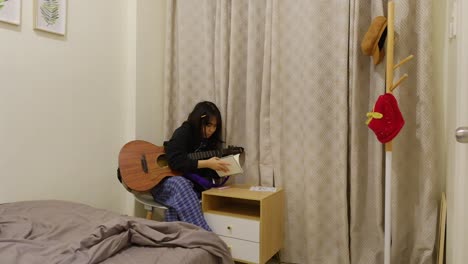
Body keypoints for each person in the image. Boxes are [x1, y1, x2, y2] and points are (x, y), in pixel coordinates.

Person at [150, 101, 230, 231]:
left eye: (215, 126)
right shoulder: (184, 132)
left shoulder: (211, 142)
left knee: (177, 204)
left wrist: (222, 168)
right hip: (164, 182)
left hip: (189, 187)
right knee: (181, 183)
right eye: (208, 125)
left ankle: (176, 242)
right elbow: (175, 161)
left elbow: (206, 176)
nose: (212, 130)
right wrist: (207, 163)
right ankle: (205, 237)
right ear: (199, 120)